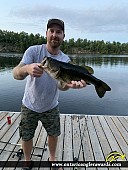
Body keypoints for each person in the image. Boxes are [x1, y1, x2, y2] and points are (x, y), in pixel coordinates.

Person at [13, 18, 86, 169]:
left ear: (63, 36)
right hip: (29, 104)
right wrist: (27, 69)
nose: (54, 35)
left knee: (54, 134)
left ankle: (52, 159)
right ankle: (27, 160)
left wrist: (70, 85)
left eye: (58, 32)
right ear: (46, 33)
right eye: (51, 31)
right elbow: (16, 73)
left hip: (51, 106)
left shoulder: (65, 60)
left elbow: (61, 86)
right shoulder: (33, 51)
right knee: (26, 136)